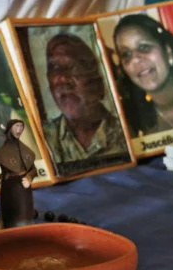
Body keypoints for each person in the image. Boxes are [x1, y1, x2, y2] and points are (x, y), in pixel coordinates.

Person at [42, 33, 129, 173]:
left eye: (72, 67)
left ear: (96, 82)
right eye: (54, 68)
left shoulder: (127, 132)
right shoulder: (42, 139)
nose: (62, 79)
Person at [0, 120, 37, 229]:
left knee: (25, 212)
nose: (19, 130)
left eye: (21, 126)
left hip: (24, 188)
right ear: (10, 129)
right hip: (10, 188)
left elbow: (33, 169)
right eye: (16, 126)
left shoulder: (24, 149)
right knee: (12, 214)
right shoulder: (4, 152)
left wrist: (29, 177)